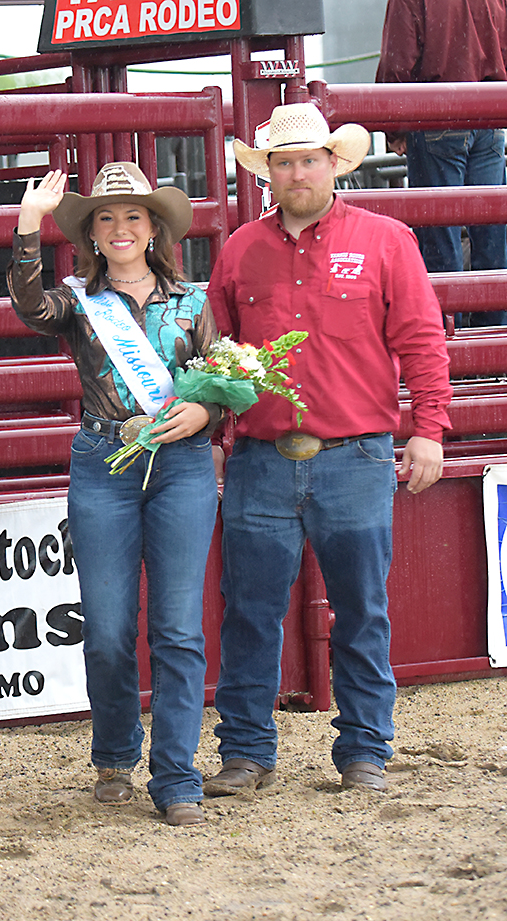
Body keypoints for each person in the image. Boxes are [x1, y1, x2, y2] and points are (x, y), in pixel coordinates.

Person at [204, 103, 452, 798]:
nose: (295, 172)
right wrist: (222, 435)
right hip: (260, 456)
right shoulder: (238, 251)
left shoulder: (387, 241)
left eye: (308, 159)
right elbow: (218, 356)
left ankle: (365, 749)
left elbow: (423, 343)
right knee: (250, 608)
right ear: (269, 175)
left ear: (335, 164)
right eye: (282, 162)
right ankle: (247, 751)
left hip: (358, 454)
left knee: (362, 607)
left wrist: (427, 428)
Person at [7, 162, 221, 826]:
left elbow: (221, 381)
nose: (121, 227)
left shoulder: (193, 300)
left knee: (179, 627)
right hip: (104, 461)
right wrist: (26, 226)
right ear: (92, 234)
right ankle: (113, 753)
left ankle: (178, 773)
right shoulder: (76, 300)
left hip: (181, 464)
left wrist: (206, 415)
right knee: (105, 628)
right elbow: (27, 305)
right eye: (107, 218)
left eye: (133, 216)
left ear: (153, 227)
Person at [376, 0, 507, 326]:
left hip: (436, 116)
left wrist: (393, 128)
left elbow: (397, 62)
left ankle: (447, 345)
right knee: (491, 238)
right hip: (489, 114)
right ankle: (492, 344)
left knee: (439, 240)